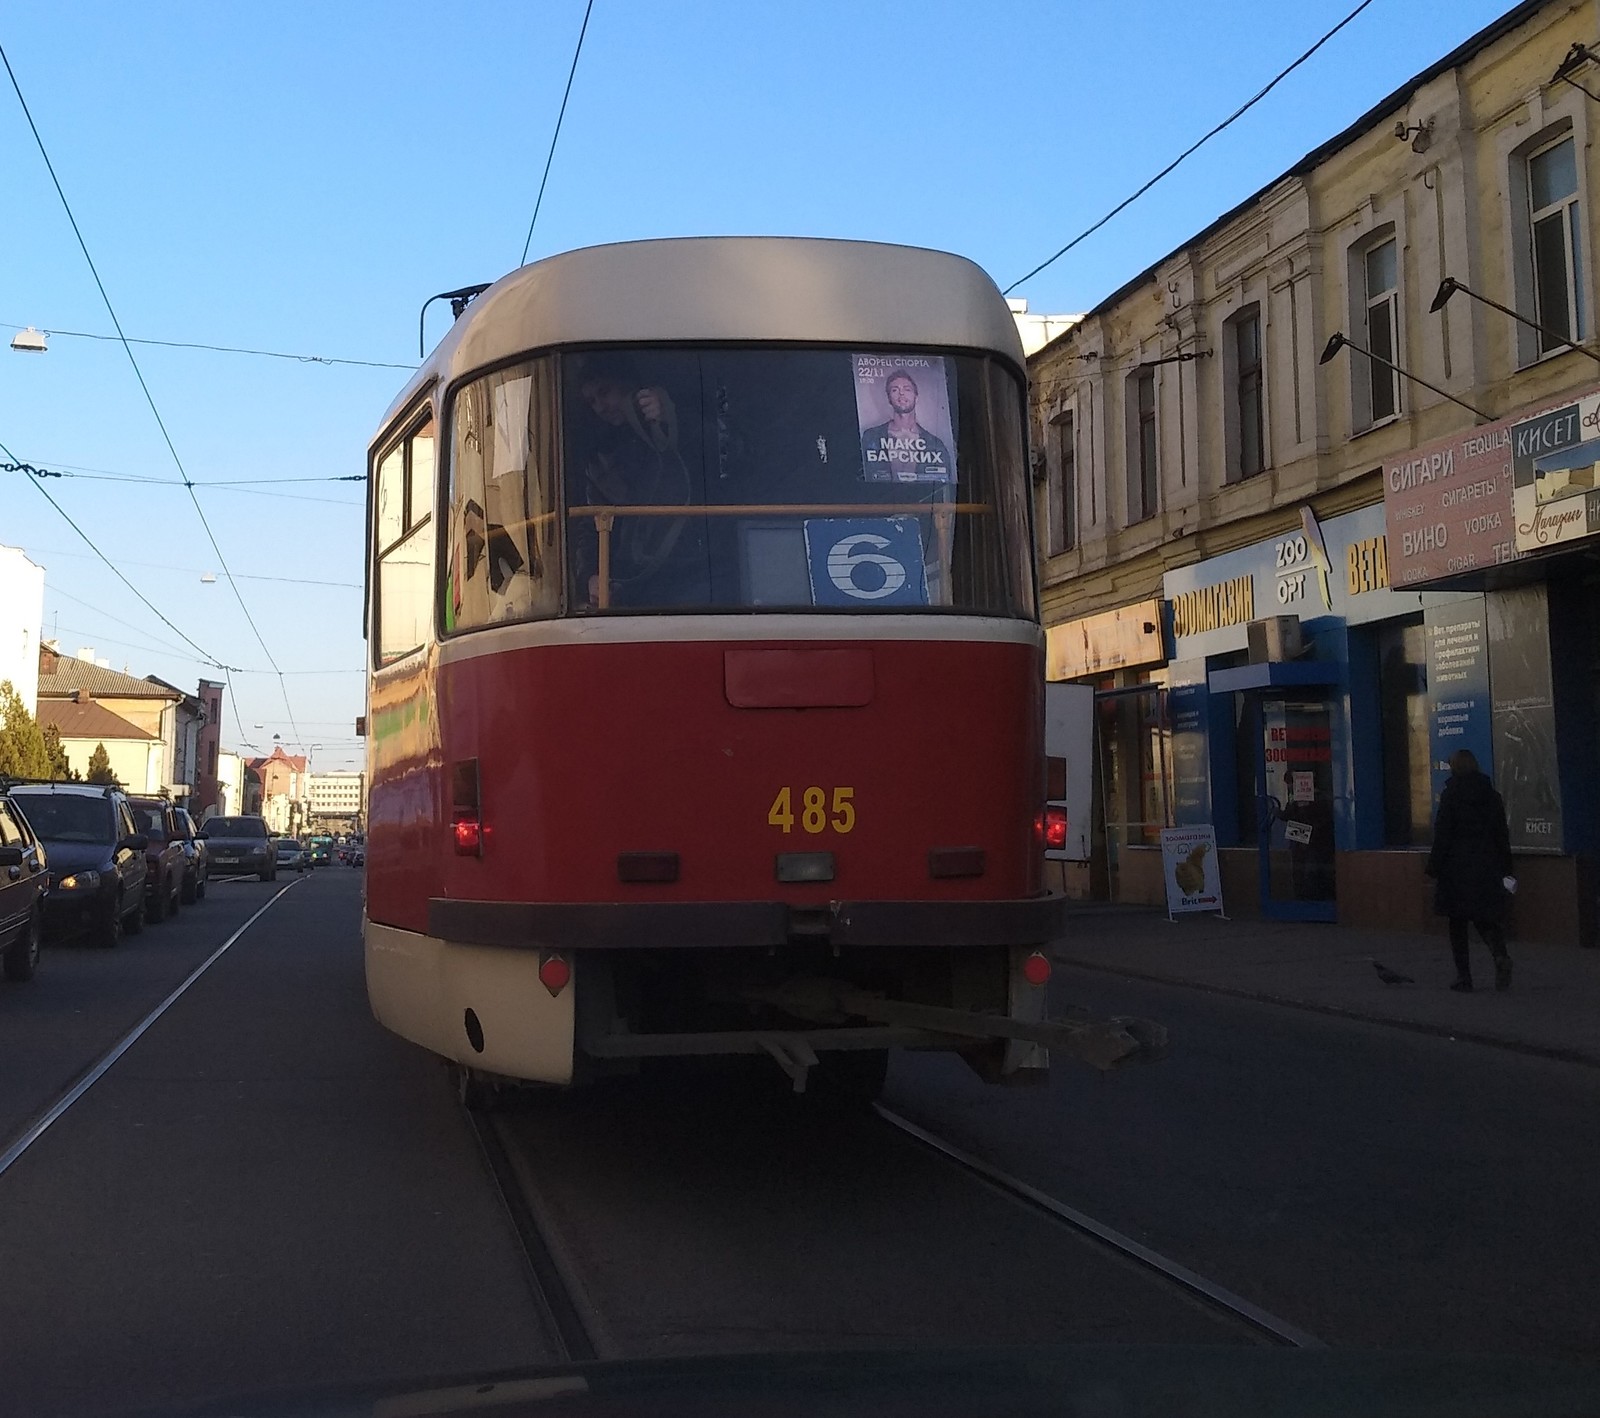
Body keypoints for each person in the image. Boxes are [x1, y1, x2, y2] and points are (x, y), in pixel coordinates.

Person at [568, 364, 704, 608]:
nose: (600, 407)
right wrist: (590, 575)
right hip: (635, 585)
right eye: (591, 401)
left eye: (604, 392)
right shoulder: (601, 460)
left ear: (628, 383)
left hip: (699, 574)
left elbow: (727, 454)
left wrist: (671, 416)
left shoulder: (682, 421)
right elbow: (592, 525)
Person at [1425, 748, 1514, 992]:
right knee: (1485, 917)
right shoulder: (1492, 796)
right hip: (1488, 866)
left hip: (1456, 868)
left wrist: (1433, 867)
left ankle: (1464, 977)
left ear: (1455, 767)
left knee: (1458, 923)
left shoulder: (1451, 795)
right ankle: (1499, 955)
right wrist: (1507, 868)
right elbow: (1501, 835)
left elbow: (1443, 835)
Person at [859, 369, 954, 483]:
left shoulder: (935, 445)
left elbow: (944, 486)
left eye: (907, 389)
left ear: (916, 397)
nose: (901, 393)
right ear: (889, 398)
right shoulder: (871, 437)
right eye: (895, 390)